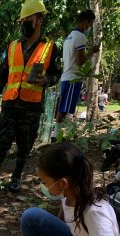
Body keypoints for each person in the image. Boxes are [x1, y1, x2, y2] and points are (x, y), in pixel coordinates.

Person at [0, 0, 61, 193]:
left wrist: (47, 81)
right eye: (22, 20)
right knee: (1, 143)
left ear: (40, 19)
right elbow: (2, 76)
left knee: (24, 145)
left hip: (32, 107)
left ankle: (16, 178)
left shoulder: (50, 48)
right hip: (10, 104)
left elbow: (56, 75)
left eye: (29, 19)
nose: (24, 23)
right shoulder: (12, 47)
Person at [51, 10, 100, 142]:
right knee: (64, 109)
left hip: (66, 76)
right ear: (85, 22)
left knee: (64, 108)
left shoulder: (70, 36)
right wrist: (92, 52)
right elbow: (80, 61)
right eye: (90, 24)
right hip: (73, 78)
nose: (89, 27)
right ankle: (56, 137)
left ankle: (59, 135)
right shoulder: (80, 37)